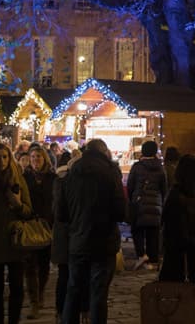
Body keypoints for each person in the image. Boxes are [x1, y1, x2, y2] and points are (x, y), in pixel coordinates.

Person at [57, 138, 126, 324]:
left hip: (78, 241)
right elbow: (121, 211)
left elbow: (61, 213)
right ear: (105, 152)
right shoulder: (111, 172)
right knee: (98, 295)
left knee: (73, 291)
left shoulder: (72, 173)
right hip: (103, 243)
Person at [0, 142, 33, 324]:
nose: (1, 161)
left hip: (14, 240)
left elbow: (28, 210)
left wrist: (18, 204)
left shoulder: (17, 178)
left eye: (5, 157)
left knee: (17, 288)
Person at [159, 154, 195, 293]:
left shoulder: (191, 198)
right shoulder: (179, 201)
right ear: (190, 177)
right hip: (183, 270)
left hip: (192, 267)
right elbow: (180, 239)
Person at [24, 144, 56, 319]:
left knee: (43, 264)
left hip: (47, 225)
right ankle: (33, 301)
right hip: (29, 224)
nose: (36, 160)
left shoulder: (52, 178)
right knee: (29, 266)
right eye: (33, 157)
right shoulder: (24, 177)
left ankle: (41, 292)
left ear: (45, 159)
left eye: (39, 157)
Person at [126, 140, 167, 271]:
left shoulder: (137, 166)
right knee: (153, 233)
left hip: (139, 203)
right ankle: (152, 259)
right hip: (155, 204)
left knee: (137, 230)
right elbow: (164, 188)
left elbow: (130, 185)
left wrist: (132, 198)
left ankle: (141, 255)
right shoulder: (160, 168)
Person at [51, 148, 81, 321]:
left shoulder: (60, 183)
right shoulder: (64, 184)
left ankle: (62, 311)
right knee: (68, 276)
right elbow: (60, 212)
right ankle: (65, 311)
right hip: (69, 235)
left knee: (66, 275)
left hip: (66, 236)